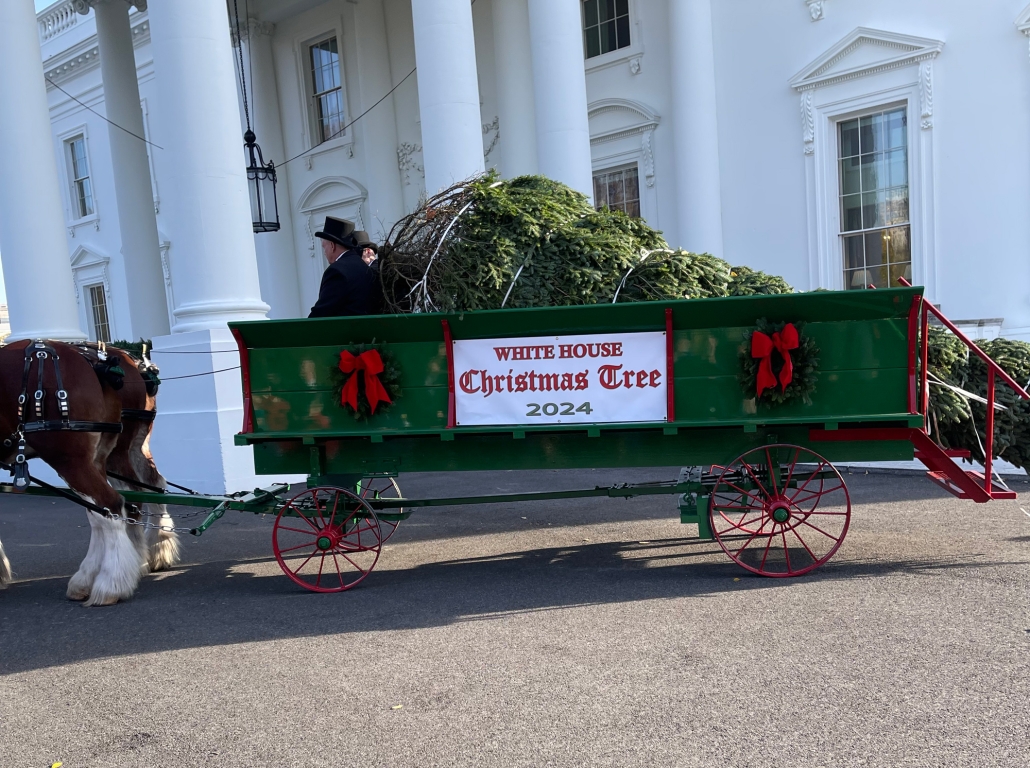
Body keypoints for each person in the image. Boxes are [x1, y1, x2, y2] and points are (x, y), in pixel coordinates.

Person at [308, 217, 383, 317]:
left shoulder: (337, 271)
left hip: (347, 330)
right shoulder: (363, 266)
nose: (324, 252)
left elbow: (322, 312)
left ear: (332, 245)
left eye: (324, 247)